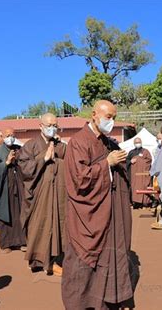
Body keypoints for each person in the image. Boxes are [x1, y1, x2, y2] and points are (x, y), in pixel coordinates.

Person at [62, 100, 135, 309]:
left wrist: (119, 161)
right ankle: (81, 303)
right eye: (108, 117)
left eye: (114, 117)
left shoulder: (107, 142)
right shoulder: (79, 141)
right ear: (94, 115)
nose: (111, 121)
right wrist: (107, 164)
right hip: (88, 215)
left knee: (109, 256)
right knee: (82, 264)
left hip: (108, 211)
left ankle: (108, 298)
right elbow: (79, 179)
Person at [17, 113, 67, 276]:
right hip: (38, 195)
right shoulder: (30, 145)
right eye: (49, 125)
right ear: (40, 126)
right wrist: (43, 159)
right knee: (38, 227)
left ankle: (51, 261)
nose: (52, 128)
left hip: (57, 194)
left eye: (55, 125)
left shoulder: (60, 146)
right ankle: (37, 260)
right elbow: (23, 168)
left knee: (55, 225)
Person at [0, 128, 27, 253]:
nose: (11, 137)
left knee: (20, 213)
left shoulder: (19, 149)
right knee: (5, 214)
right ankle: (6, 244)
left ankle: (22, 241)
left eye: (13, 135)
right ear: (3, 137)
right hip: (4, 188)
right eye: (8, 135)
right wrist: (6, 163)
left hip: (19, 186)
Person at [126, 137, 152, 209]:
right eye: (136, 142)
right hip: (134, 175)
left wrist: (139, 161)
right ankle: (135, 203)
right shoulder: (131, 152)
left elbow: (149, 160)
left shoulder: (145, 151)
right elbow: (126, 161)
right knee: (134, 188)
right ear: (134, 144)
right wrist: (130, 161)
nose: (138, 143)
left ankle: (145, 204)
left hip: (143, 175)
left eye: (139, 142)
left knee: (144, 187)